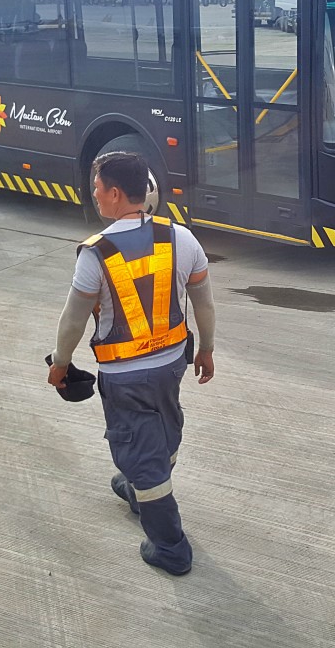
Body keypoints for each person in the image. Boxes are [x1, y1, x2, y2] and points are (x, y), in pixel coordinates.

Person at [47, 151, 217, 576]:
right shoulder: (182, 238)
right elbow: (204, 303)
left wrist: (61, 363)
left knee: (140, 451)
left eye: (97, 190)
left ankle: (170, 547)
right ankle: (141, 485)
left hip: (125, 375)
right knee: (165, 424)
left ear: (116, 193)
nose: (95, 197)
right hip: (172, 364)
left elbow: (72, 319)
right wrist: (207, 348)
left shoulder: (96, 253)